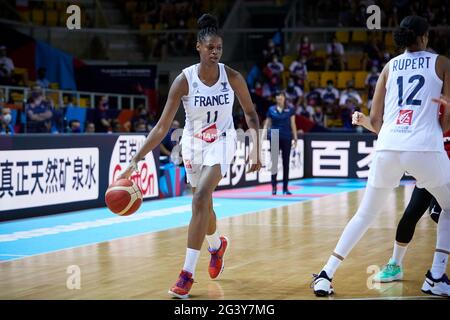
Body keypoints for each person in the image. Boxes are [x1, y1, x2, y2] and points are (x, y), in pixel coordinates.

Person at [117, 13, 262, 299]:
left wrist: (255, 147)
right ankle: (216, 246)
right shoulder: (184, 81)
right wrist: (134, 162)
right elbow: (161, 128)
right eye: (210, 48)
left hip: (223, 140)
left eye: (219, 48)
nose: (215, 52)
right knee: (203, 208)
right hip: (193, 144)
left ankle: (186, 275)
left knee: (199, 198)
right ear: (199, 47)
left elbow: (251, 113)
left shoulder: (232, 77)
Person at [312, 16, 450, 297]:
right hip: (424, 148)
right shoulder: (443, 63)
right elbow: (446, 123)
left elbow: (376, 121)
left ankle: (326, 274)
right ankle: (436, 275)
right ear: (425, 37)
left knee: (364, 213)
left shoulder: (389, 66)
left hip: (388, 145)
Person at [352, 108, 450, 283]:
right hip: (430, 170)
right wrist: (365, 121)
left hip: (445, 173)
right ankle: (395, 265)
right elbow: (391, 129)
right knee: (409, 216)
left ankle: (437, 272)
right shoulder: (425, 107)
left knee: (438, 213)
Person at [263, 90, 298, 195]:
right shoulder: (271, 109)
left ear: (284, 98)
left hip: (286, 136)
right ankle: (274, 187)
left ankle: (285, 188)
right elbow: (267, 124)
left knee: (286, 163)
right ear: (276, 98)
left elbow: (293, 124)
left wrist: (295, 138)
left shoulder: (290, 110)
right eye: (277, 96)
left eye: (281, 96)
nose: (279, 97)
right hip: (273, 136)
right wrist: (263, 137)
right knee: (274, 163)